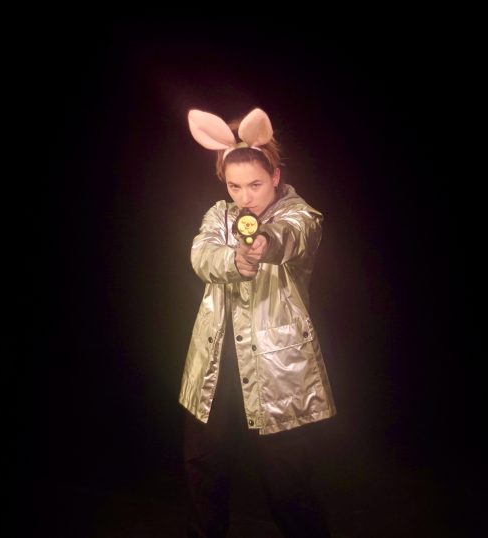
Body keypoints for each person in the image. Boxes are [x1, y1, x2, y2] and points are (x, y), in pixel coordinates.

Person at [180, 107, 336, 537]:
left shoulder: (300, 215)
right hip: (214, 370)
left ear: (275, 177)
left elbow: (294, 236)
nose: (244, 198)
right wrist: (234, 260)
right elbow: (201, 254)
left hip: (278, 375)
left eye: (255, 185)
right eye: (234, 186)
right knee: (203, 473)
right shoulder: (218, 216)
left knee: (287, 488)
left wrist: (264, 243)